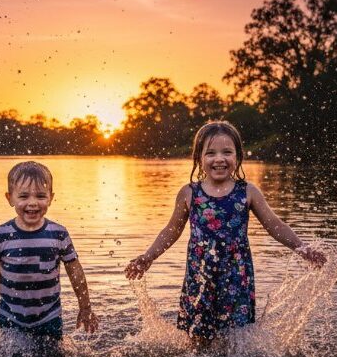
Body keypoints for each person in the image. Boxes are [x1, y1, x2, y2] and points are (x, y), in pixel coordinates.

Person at [124, 121, 326, 343]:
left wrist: (302, 248)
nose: (219, 159)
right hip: (200, 276)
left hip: (236, 276)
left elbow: (273, 224)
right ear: (199, 158)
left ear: (238, 157)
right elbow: (172, 230)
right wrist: (148, 256)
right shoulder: (190, 193)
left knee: (235, 338)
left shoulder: (247, 192)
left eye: (227, 152)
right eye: (210, 153)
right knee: (198, 338)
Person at [0, 161, 98, 341]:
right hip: (10, 317)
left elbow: (75, 270)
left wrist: (85, 307)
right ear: (10, 198)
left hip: (49, 317)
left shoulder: (58, 234)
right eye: (24, 196)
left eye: (41, 196)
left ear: (51, 197)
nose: (33, 203)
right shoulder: (1, 235)